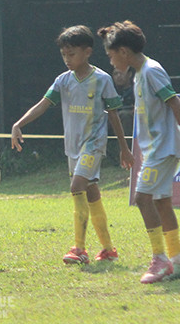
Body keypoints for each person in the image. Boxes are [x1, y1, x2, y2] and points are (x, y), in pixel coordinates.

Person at [11, 25, 134, 265]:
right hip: (73, 147)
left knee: (76, 186)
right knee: (91, 191)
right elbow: (44, 103)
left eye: (72, 54)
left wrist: (124, 147)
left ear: (87, 52)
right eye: (64, 54)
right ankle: (108, 249)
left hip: (93, 144)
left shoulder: (101, 80)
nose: (67, 59)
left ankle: (79, 248)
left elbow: (113, 114)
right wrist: (19, 123)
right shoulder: (63, 81)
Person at [98, 20, 180, 283]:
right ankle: (178, 261)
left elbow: (174, 101)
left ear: (124, 52)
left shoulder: (151, 71)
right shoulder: (139, 73)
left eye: (111, 55)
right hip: (157, 149)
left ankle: (160, 259)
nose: (111, 61)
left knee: (142, 199)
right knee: (161, 202)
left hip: (164, 149)